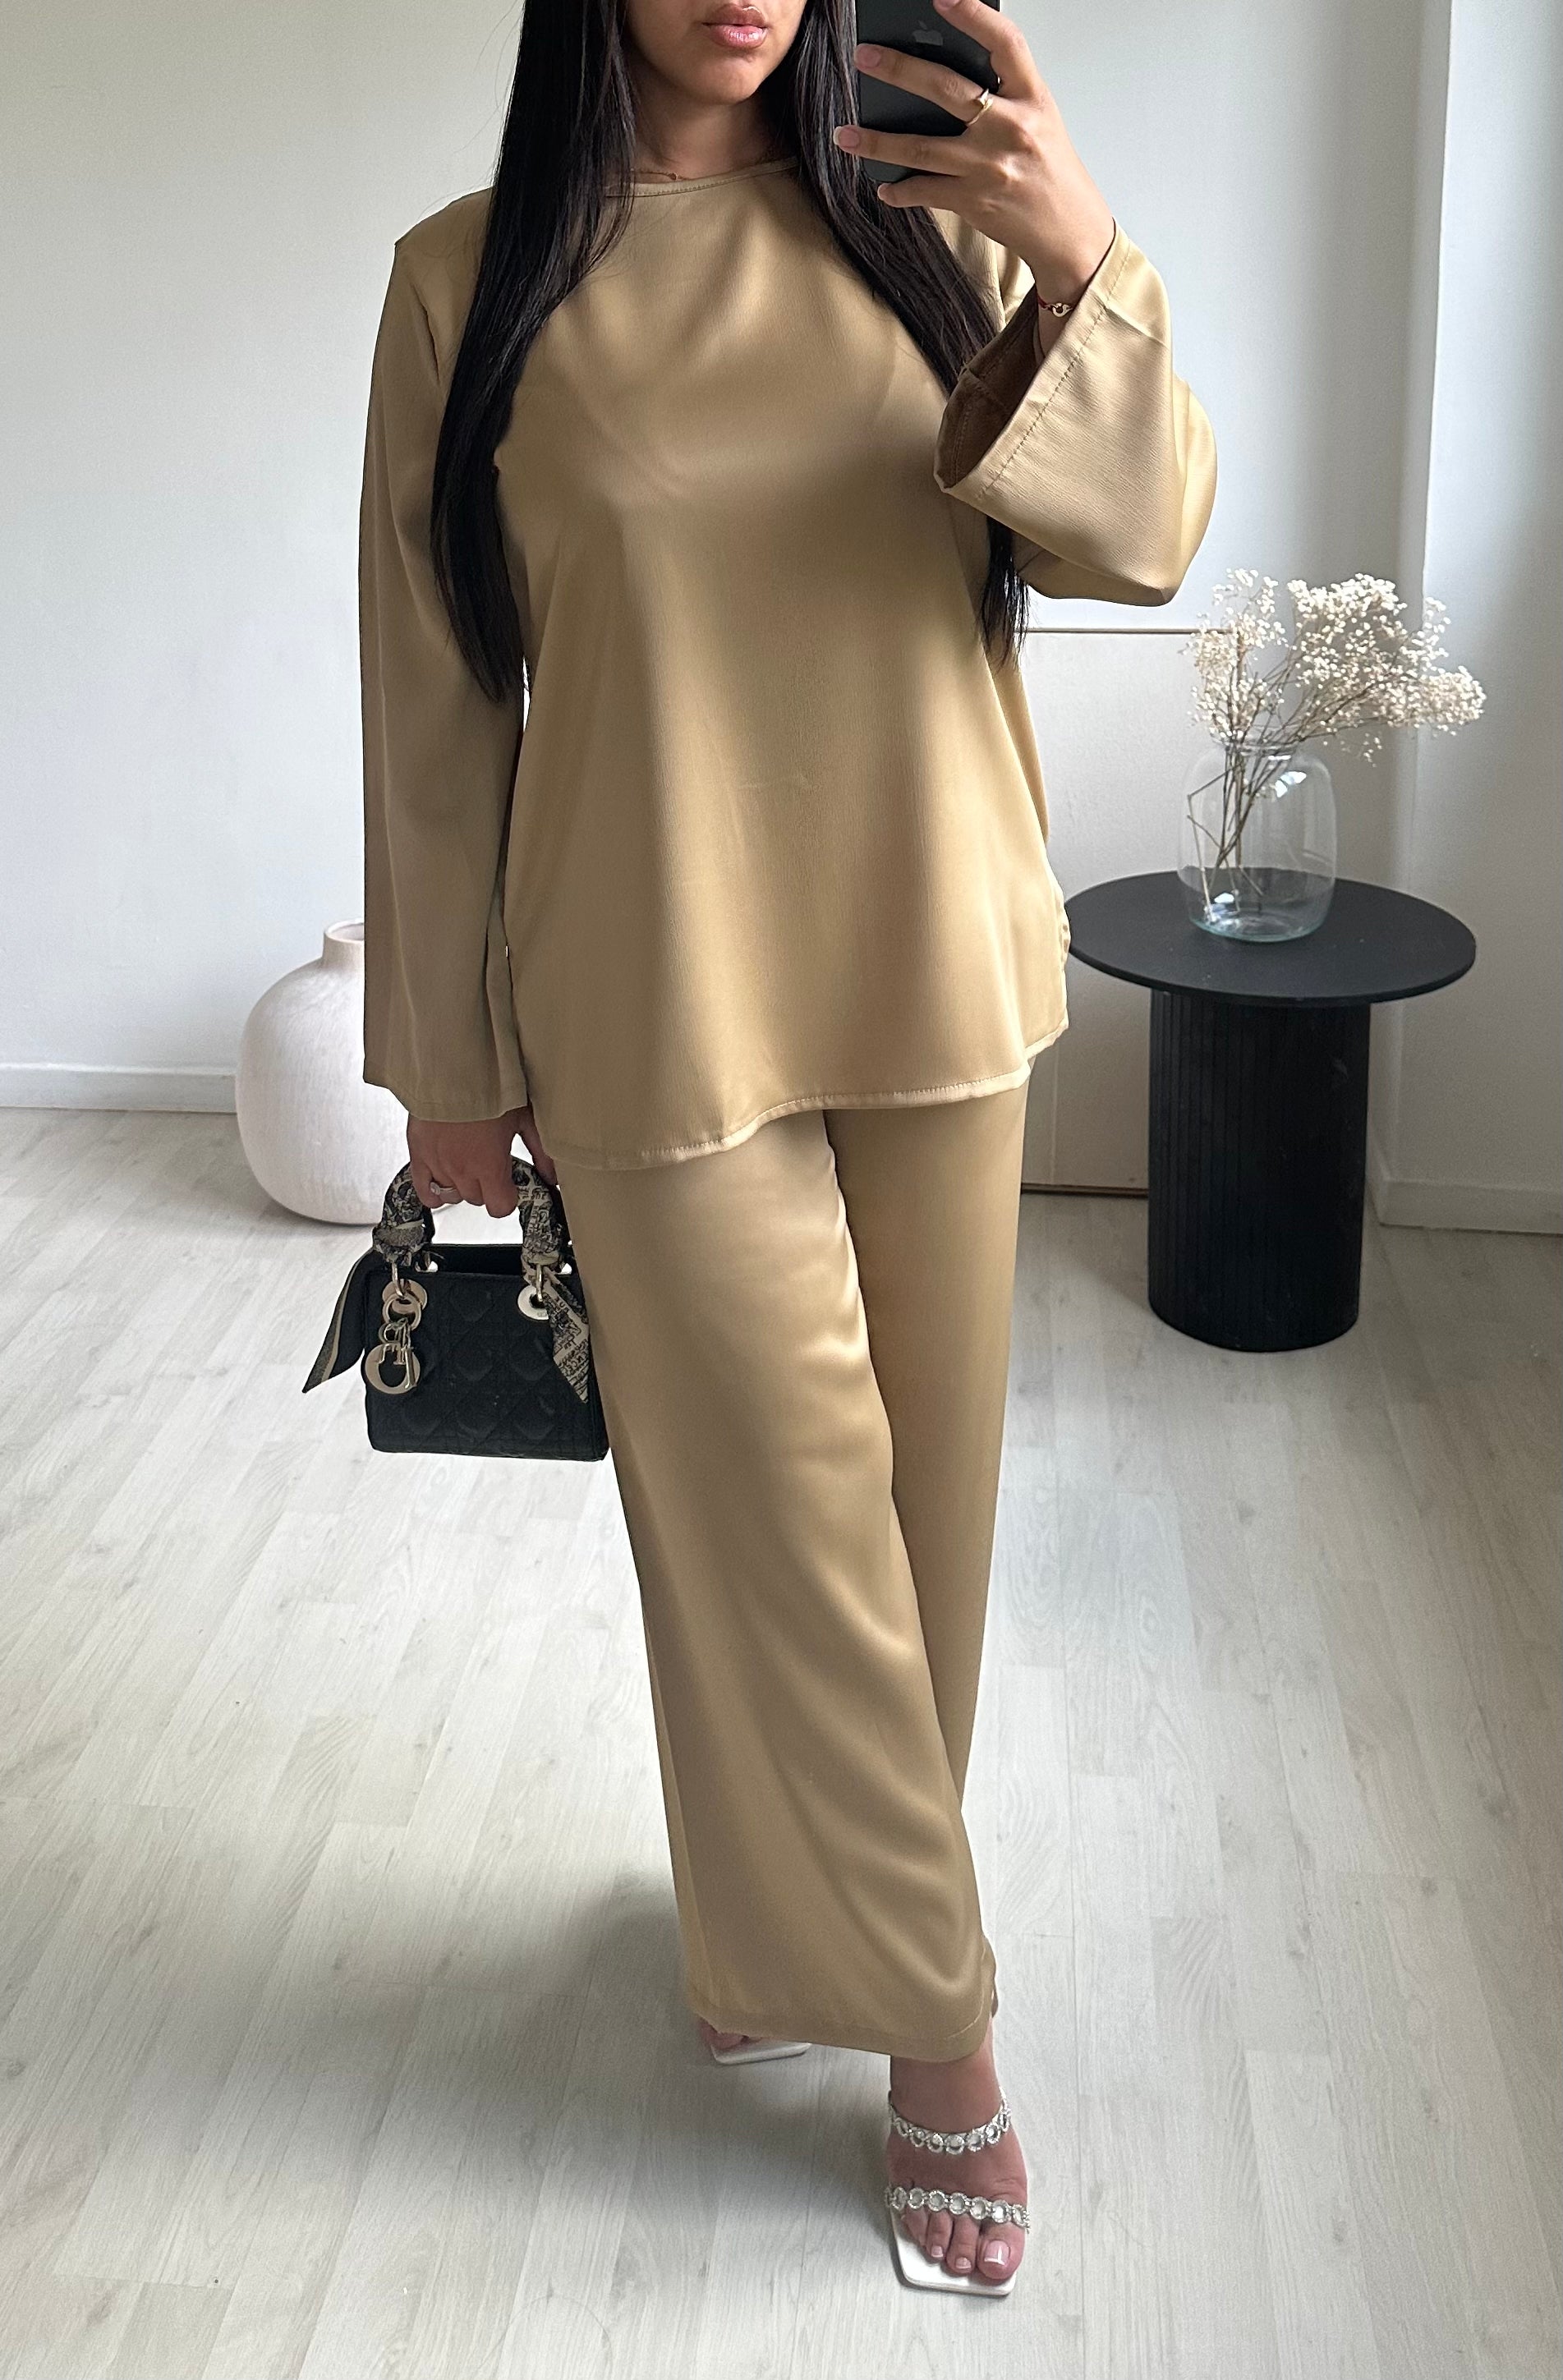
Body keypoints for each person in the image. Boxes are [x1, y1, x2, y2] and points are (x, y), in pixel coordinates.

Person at [357, 0, 1215, 2295]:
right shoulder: (465, 283)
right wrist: (445, 1055)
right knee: (773, 1526)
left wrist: (1081, 255)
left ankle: (774, 1927)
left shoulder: (942, 232)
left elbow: (1142, 540)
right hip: (645, 980)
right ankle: (943, 2040)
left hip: (934, 952)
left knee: (922, 1542)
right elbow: (434, 692)